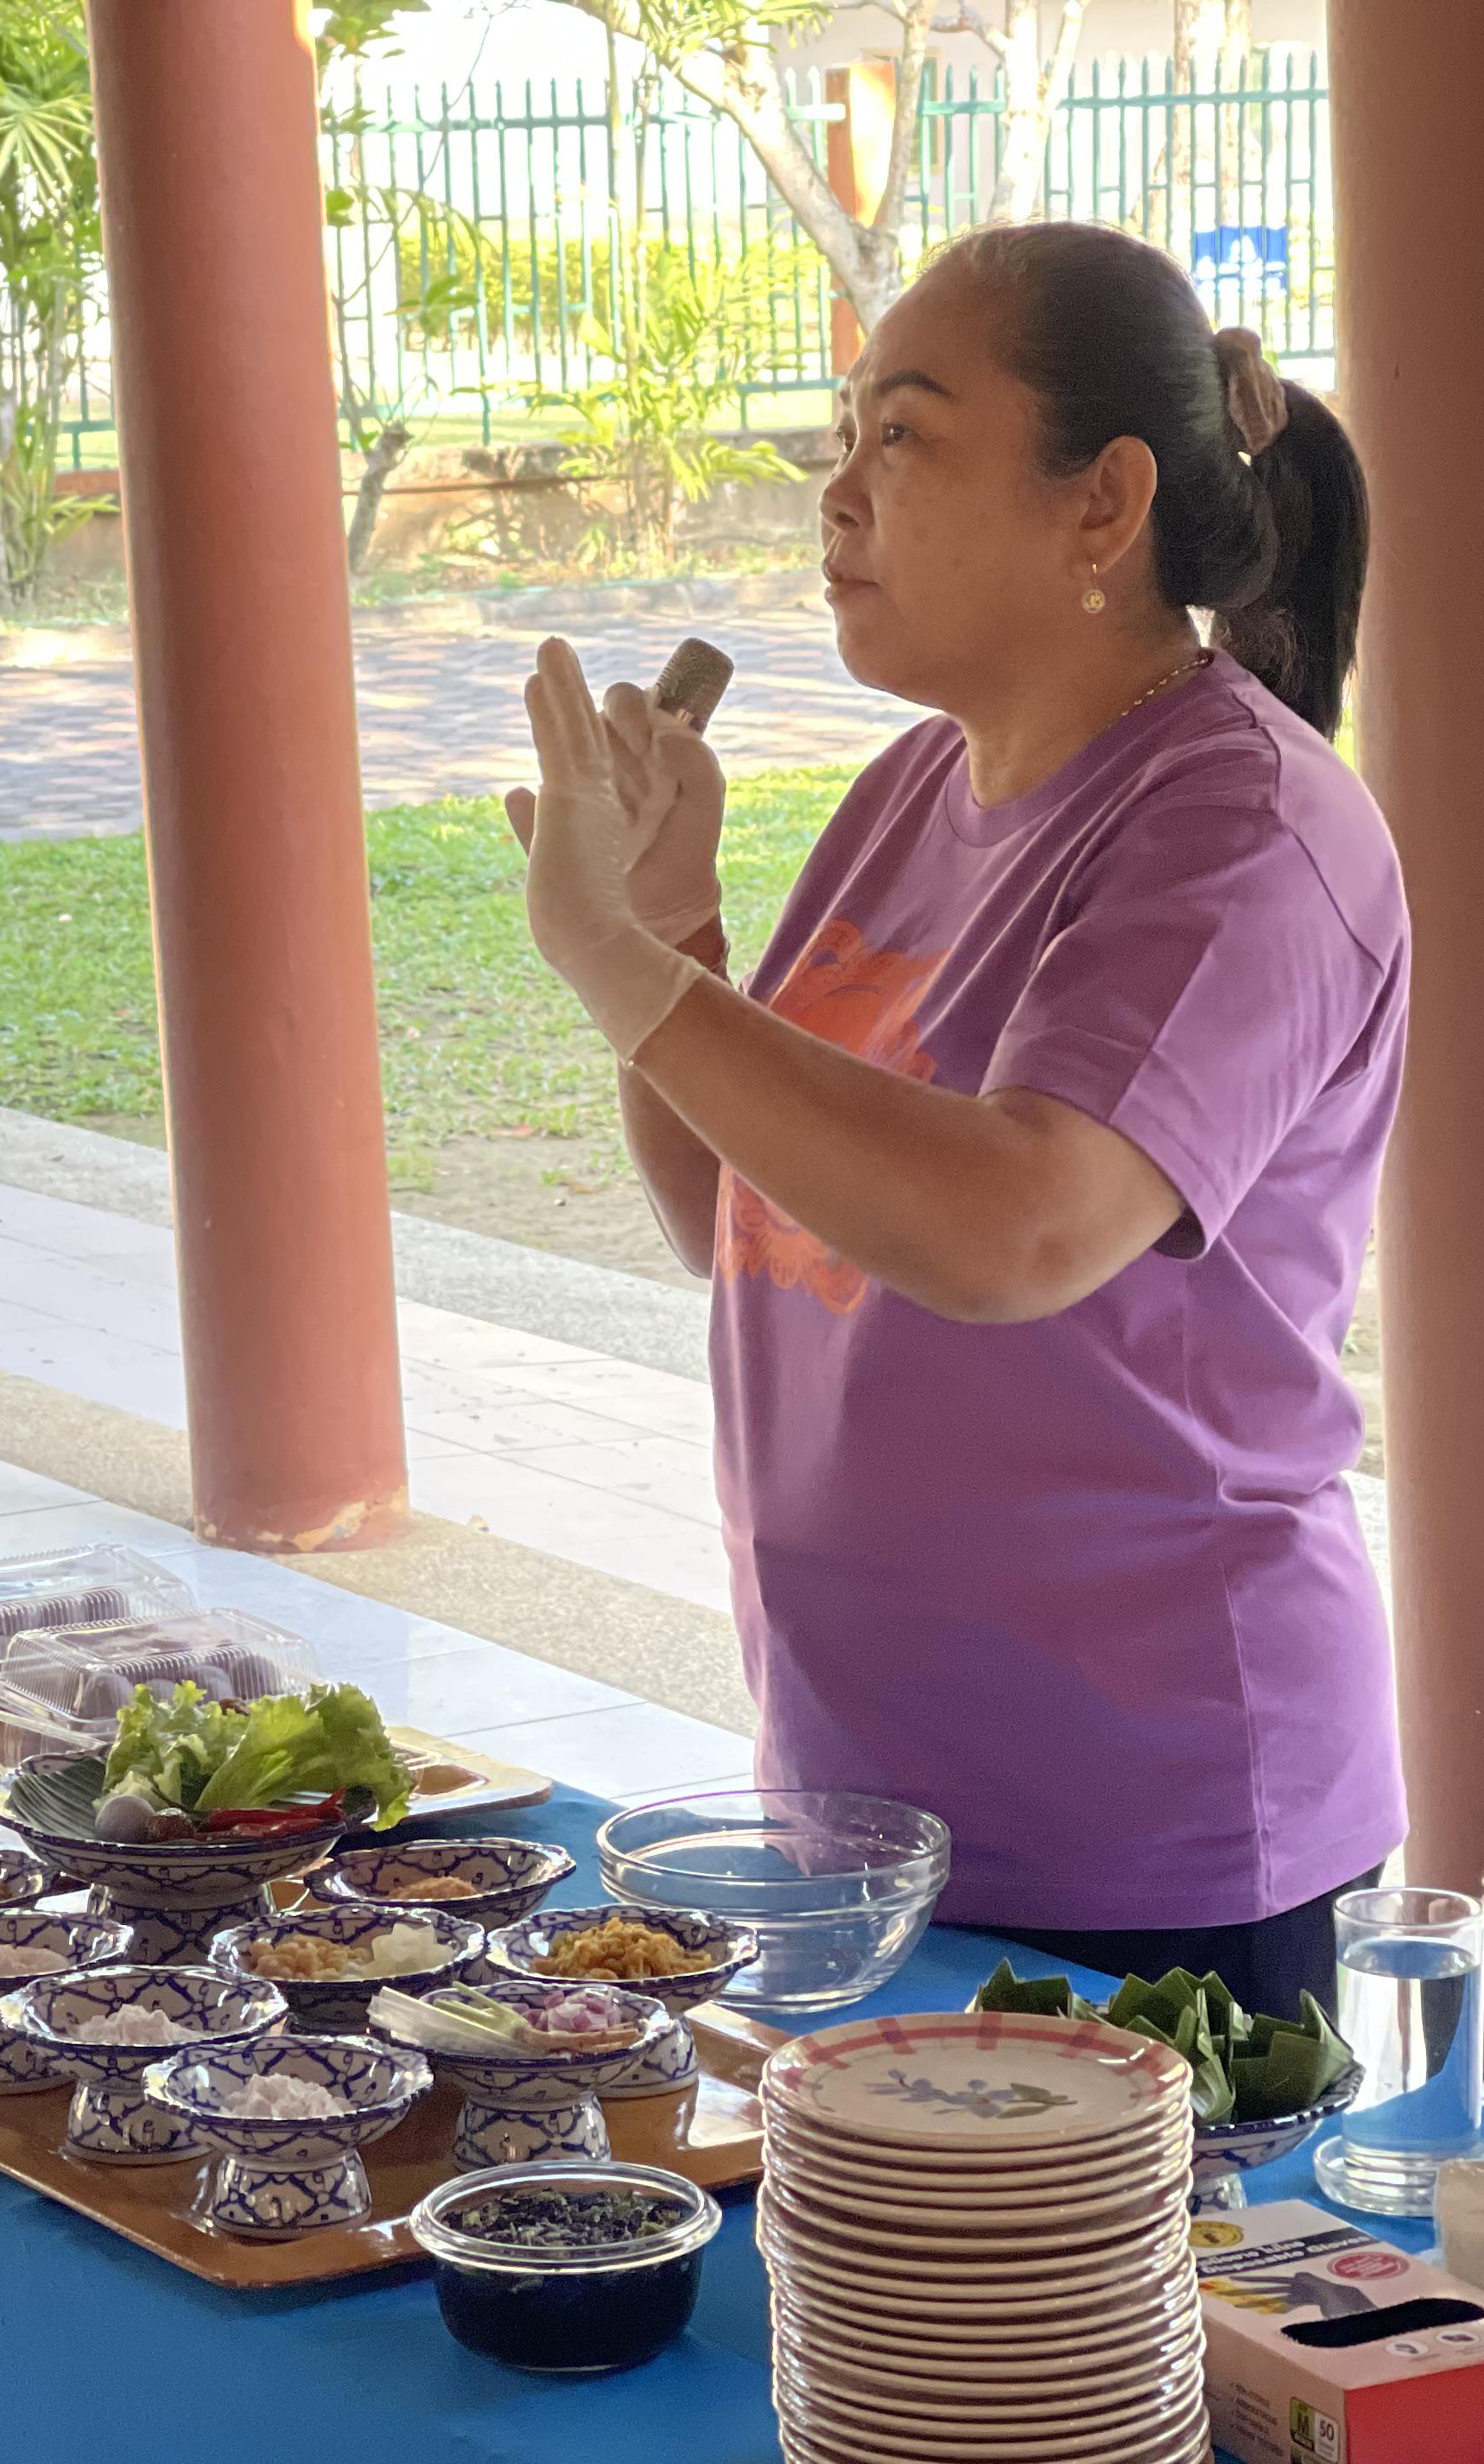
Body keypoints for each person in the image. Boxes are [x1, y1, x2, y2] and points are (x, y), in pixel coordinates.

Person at [509, 223, 1404, 2020]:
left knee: (1107, 2312)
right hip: (866, 1813)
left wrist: (626, 972)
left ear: (1104, 506)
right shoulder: (915, 785)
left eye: (902, 437)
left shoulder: (1242, 833)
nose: (838, 496)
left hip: (1147, 1836)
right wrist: (676, 928)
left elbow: (1019, 1227)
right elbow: (744, 1220)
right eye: (847, 432)